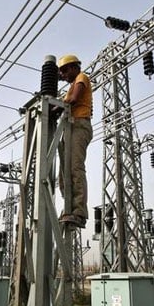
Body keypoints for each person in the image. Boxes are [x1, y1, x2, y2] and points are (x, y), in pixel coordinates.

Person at [57, 54, 92, 229]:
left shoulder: (81, 77)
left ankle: (79, 212)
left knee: (75, 167)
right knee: (63, 172)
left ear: (73, 67)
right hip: (68, 127)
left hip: (79, 125)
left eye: (64, 71)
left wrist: (55, 106)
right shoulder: (70, 85)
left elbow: (73, 99)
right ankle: (68, 207)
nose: (62, 75)